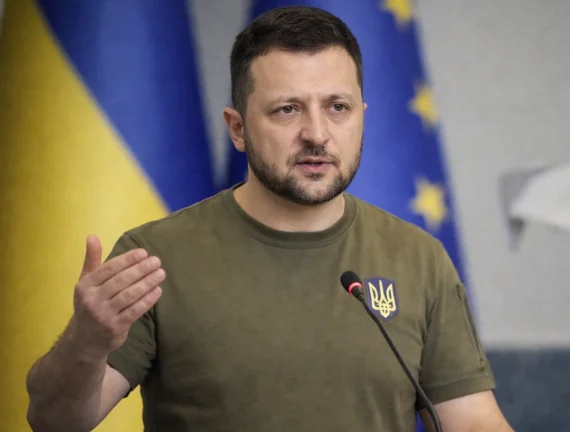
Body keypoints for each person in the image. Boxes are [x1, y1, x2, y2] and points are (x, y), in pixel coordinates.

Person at [25, 6, 514, 432]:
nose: (317, 134)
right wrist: (85, 343)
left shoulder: (419, 257)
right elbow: (55, 421)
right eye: (287, 110)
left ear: (362, 115)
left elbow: (472, 421)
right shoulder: (154, 257)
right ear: (238, 128)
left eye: (337, 107)